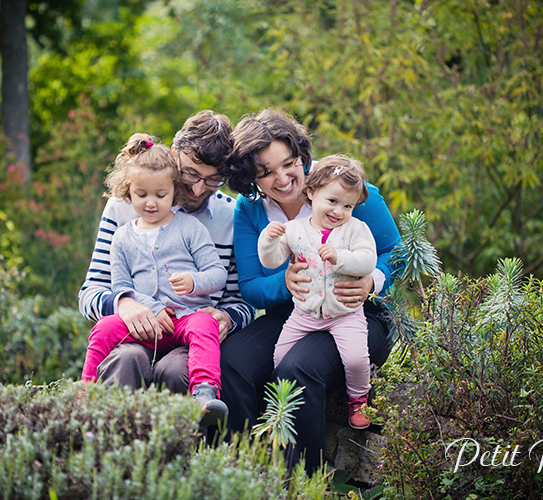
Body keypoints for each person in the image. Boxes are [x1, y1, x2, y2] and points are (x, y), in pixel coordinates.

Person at [220, 108, 403, 472]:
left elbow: (396, 253)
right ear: (250, 178)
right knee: (232, 361)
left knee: (296, 369)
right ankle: (243, 475)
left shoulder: (343, 189)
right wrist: (284, 282)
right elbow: (253, 287)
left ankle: (304, 485)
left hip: (358, 314)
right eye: (266, 172)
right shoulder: (251, 210)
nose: (283, 178)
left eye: (289, 163)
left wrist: (372, 281)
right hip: (297, 313)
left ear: (301, 155)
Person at [78, 111, 254, 395]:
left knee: (174, 371)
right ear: (174, 154)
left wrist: (227, 318)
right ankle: (99, 430)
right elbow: (88, 295)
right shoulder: (123, 208)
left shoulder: (230, 216)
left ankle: (189, 434)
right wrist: (125, 304)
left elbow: (242, 303)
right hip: (132, 336)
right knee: (127, 359)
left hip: (191, 338)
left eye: (213, 179)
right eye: (190, 173)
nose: (198, 188)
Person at [258, 155, 378, 430]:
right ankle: (280, 404)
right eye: (333, 201)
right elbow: (271, 260)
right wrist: (269, 238)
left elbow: (368, 260)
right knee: (281, 357)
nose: (339, 211)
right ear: (311, 192)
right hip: (305, 312)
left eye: (348, 205)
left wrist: (341, 257)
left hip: (345, 314)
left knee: (356, 358)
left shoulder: (355, 229)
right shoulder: (296, 230)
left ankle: (358, 398)